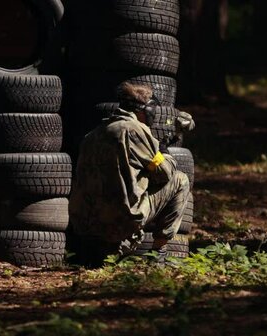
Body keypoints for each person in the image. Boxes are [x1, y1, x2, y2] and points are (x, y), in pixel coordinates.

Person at [69, 82, 191, 264]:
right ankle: (159, 254)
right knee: (180, 180)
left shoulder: (94, 133)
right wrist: (166, 154)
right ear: (146, 109)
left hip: (84, 227)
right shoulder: (133, 129)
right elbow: (163, 173)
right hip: (119, 223)